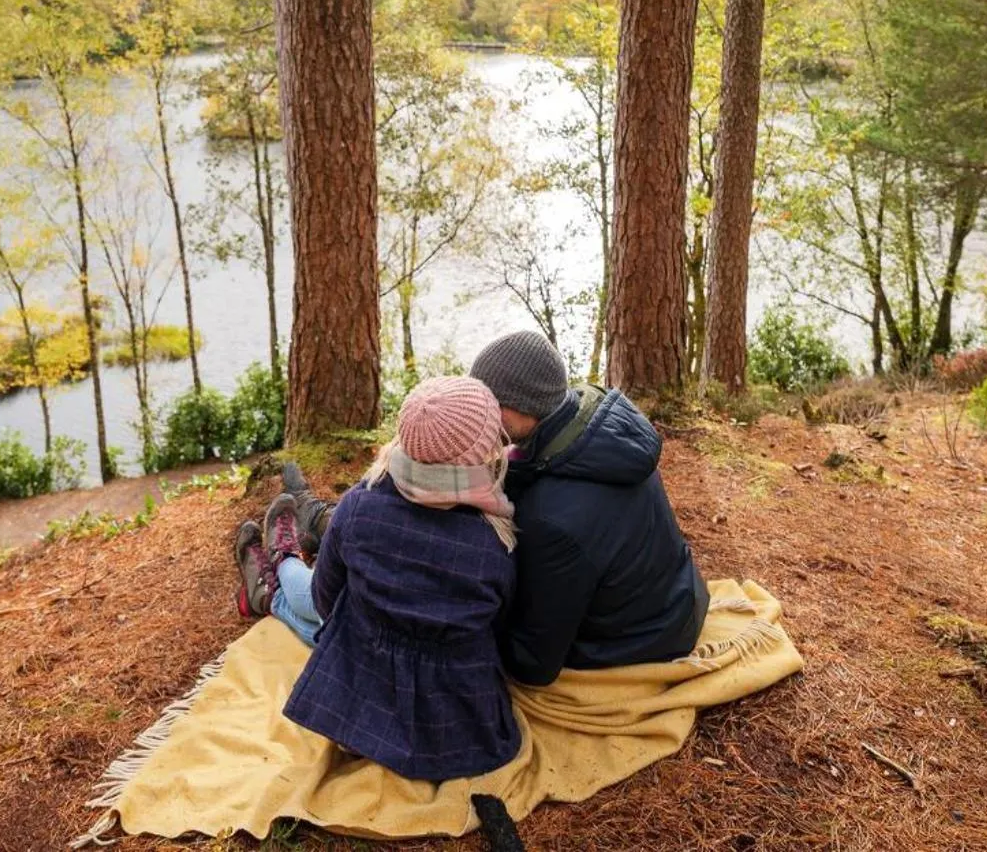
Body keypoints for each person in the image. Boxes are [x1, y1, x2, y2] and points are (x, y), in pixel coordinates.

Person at [230, 376, 523, 783]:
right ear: (483, 452)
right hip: (461, 729)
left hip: (362, 712)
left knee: (335, 605)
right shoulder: (495, 541)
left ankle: (280, 567)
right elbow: (499, 624)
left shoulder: (357, 508)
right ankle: (279, 570)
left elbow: (326, 604)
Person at [468, 330, 708, 687]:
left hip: (643, 641)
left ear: (520, 406)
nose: (480, 416)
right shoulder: (600, 431)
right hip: (677, 598)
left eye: (488, 406)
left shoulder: (552, 521)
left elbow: (533, 665)